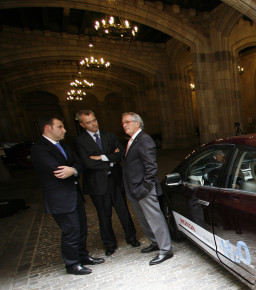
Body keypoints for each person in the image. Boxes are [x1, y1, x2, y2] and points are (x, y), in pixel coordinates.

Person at [30, 115, 104, 275]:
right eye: (60, 127)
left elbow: (78, 163)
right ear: (48, 128)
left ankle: (83, 256)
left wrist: (74, 170)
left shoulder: (63, 145)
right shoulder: (39, 148)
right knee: (71, 231)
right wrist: (71, 169)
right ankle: (72, 263)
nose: (64, 130)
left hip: (74, 194)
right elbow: (57, 171)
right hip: (60, 198)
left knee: (82, 227)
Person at [73, 109, 140, 256]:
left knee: (124, 211)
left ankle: (132, 237)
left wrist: (101, 158)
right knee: (104, 215)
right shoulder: (79, 141)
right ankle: (109, 244)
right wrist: (110, 161)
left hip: (115, 180)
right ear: (82, 124)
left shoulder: (109, 136)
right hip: (97, 184)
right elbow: (86, 163)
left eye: (94, 120)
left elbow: (121, 154)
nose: (93, 124)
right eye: (88, 122)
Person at [121, 112, 173, 265]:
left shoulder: (144, 140)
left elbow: (151, 167)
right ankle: (155, 242)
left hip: (144, 188)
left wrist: (146, 187)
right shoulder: (132, 140)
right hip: (134, 188)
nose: (124, 125)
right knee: (144, 219)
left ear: (137, 123)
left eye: (127, 122)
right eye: (123, 123)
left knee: (154, 218)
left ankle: (166, 249)